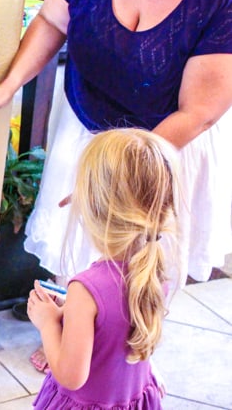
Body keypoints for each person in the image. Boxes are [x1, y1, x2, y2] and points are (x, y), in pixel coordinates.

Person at [0, 0, 232, 371]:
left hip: (166, 139)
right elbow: (52, 20)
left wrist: (115, 177)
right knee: (71, 240)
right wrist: (10, 84)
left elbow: (198, 111)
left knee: (139, 252)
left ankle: (123, 344)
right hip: (88, 120)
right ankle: (69, 333)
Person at [27, 128, 178, 408]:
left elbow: (71, 377)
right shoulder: (153, 267)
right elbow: (119, 331)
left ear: (91, 207)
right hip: (133, 395)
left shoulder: (86, 288)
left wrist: (48, 323)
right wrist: (68, 314)